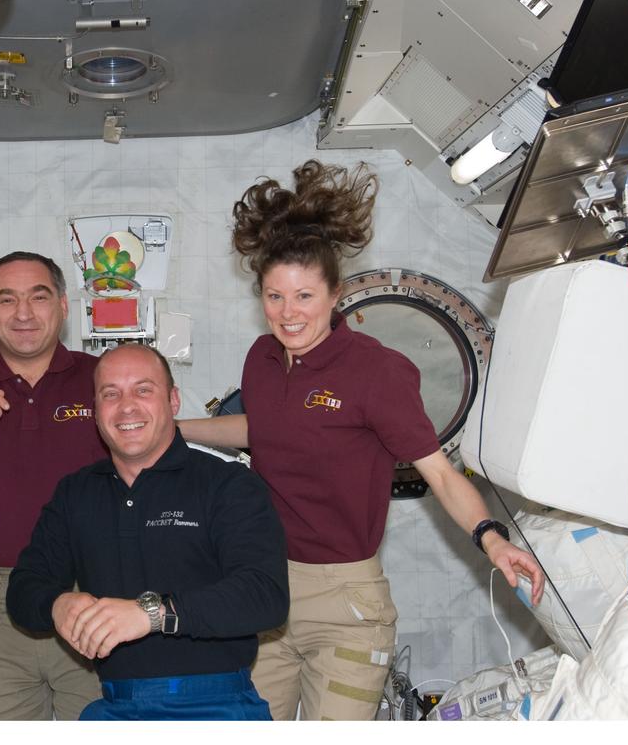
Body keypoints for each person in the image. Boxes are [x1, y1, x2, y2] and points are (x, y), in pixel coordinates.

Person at [179, 160, 547, 721]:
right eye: (274, 297)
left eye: (304, 296)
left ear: (335, 294)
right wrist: (173, 432)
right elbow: (263, 429)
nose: (288, 313)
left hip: (343, 597)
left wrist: (492, 539)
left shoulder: (376, 372)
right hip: (262, 584)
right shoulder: (261, 359)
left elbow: (440, 473)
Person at [6, 344, 289, 721]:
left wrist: (152, 614)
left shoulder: (227, 484)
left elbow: (265, 596)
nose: (127, 406)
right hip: (116, 707)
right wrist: (58, 605)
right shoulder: (76, 492)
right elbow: (25, 587)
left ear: (173, 401)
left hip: (217, 705)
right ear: (95, 410)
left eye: (143, 390)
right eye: (111, 394)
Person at [0, 252, 106, 720]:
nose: (24, 313)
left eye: (38, 297)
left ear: (64, 307)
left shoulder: (105, 379)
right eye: (7, 299)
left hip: (97, 598)